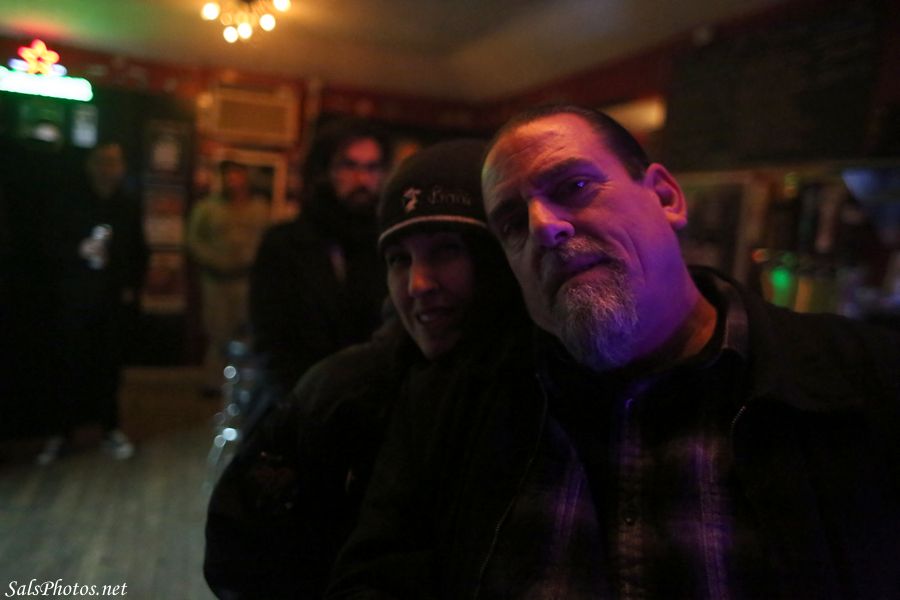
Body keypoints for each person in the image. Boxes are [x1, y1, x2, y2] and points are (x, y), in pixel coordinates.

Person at [327, 105, 900, 599]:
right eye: (512, 223)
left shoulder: (863, 379)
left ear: (666, 196)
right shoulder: (457, 401)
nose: (544, 226)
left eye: (573, 187)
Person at [204, 139, 529, 599]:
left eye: (446, 251)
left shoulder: (549, 386)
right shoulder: (344, 391)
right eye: (399, 260)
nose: (418, 283)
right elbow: (239, 550)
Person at [249, 119, 391, 396]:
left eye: (372, 168)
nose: (362, 180)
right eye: (349, 166)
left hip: (374, 399)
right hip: (304, 396)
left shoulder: (387, 243)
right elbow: (271, 339)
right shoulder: (284, 244)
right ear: (324, 171)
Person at [37, 141, 149, 464]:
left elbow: (139, 250)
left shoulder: (127, 205)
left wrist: (131, 287)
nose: (109, 168)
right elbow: (47, 244)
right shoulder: (70, 201)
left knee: (109, 367)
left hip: (111, 300)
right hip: (74, 298)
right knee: (68, 365)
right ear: (90, 164)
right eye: (103, 161)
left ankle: (110, 429)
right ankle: (61, 433)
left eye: (115, 162)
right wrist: (78, 250)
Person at [187, 160, 270, 396]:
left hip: (247, 280)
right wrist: (212, 259)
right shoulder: (206, 208)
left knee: (245, 332)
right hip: (216, 280)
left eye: (237, 176)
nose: (233, 182)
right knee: (217, 332)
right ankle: (214, 382)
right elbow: (193, 240)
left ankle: (243, 383)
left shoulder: (260, 209)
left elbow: (268, 239)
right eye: (228, 177)